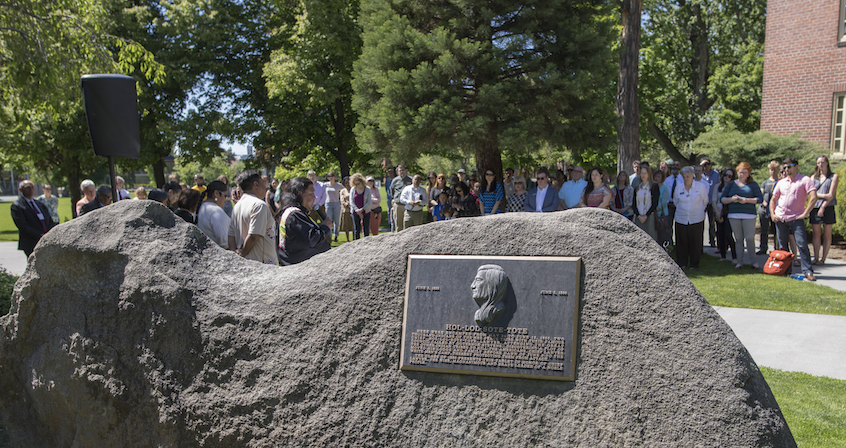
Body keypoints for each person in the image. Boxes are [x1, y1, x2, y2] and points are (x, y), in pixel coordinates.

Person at [771, 157, 818, 281]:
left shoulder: (804, 180)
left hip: (796, 218)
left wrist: (805, 213)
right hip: (781, 218)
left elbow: (813, 197)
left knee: (801, 243)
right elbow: (773, 199)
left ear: (796, 166)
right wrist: (772, 214)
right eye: (785, 167)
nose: (787, 169)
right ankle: (786, 271)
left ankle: (808, 271)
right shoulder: (781, 182)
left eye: (789, 167)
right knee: (783, 246)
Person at [278, 176, 332, 265]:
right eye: (311, 193)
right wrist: (325, 227)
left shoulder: (294, 213)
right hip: (298, 268)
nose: (315, 197)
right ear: (300, 193)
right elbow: (312, 239)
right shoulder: (294, 215)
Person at [227, 170, 278, 265]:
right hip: (261, 265)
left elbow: (231, 235)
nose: (265, 187)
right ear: (256, 184)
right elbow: (254, 235)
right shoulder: (259, 205)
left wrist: (235, 254)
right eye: (263, 183)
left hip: (245, 264)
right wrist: (242, 254)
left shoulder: (237, 206)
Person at [721, 162, 763, 270]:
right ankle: (739, 262)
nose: (742, 175)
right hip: (734, 215)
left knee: (749, 238)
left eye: (744, 173)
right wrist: (732, 199)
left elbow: (760, 199)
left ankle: (754, 262)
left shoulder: (753, 184)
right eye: (740, 172)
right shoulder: (731, 184)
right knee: (738, 239)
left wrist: (746, 200)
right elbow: (723, 199)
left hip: (749, 215)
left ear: (748, 174)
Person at [673, 166, 709, 269]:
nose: (686, 179)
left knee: (695, 242)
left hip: (696, 218)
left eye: (688, 176)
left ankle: (694, 264)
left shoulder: (700, 186)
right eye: (684, 177)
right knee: (681, 242)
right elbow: (676, 202)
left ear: (693, 176)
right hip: (681, 218)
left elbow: (705, 201)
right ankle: (682, 263)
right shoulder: (679, 187)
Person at [11, 180, 56, 257]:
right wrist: (40, 235)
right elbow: (23, 226)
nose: (31, 189)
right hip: (31, 242)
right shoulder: (17, 206)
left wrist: (49, 234)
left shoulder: (40, 204)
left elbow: (50, 220)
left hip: (46, 240)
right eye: (28, 188)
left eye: (32, 187)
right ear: (20, 190)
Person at [811, 155, 838, 265]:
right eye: (818, 163)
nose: (820, 165)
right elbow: (812, 193)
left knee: (827, 234)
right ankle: (816, 257)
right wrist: (823, 195)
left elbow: (831, 195)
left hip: (828, 207)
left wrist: (823, 206)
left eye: (822, 162)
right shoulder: (814, 177)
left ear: (827, 163)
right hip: (815, 207)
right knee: (816, 234)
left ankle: (823, 259)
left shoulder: (833, 176)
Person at [713, 168, 738, 264]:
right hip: (719, 213)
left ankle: (734, 257)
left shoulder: (733, 187)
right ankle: (723, 256)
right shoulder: (717, 187)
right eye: (725, 175)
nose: (727, 177)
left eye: (729, 176)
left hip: (729, 213)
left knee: (728, 235)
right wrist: (717, 213)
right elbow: (714, 201)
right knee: (720, 235)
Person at [197, 180, 230, 248]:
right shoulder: (216, 211)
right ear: (216, 193)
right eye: (225, 195)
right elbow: (225, 243)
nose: (225, 199)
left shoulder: (201, 207)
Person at [633, 164, 660, 242]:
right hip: (638, 217)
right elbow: (634, 203)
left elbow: (655, 203)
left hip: (649, 217)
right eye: (642, 173)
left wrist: (646, 216)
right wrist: (639, 215)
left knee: (650, 239)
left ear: (649, 174)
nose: (643, 175)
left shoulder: (654, 186)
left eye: (645, 173)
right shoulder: (637, 187)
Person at [758, 161, 779, 255]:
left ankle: (777, 249)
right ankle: (763, 248)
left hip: (775, 210)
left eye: (774, 170)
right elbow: (760, 194)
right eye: (771, 169)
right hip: (764, 209)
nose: (773, 172)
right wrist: (764, 202)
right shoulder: (765, 182)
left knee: (776, 230)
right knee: (764, 229)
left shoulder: (779, 182)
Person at [349, 173, 372, 239]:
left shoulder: (367, 189)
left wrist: (362, 209)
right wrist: (357, 210)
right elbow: (351, 201)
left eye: (358, 183)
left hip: (365, 211)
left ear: (362, 182)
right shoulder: (353, 189)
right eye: (355, 184)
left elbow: (369, 201)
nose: (356, 185)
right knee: (356, 231)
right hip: (355, 212)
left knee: (366, 230)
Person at [653, 170, 672, 249]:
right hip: (654, 213)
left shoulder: (665, 188)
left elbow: (664, 200)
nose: (657, 178)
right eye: (656, 176)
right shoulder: (653, 186)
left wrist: (658, 207)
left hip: (662, 213)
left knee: (662, 234)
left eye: (659, 177)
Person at [391, 165, 412, 231]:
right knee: (398, 225)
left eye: (403, 170)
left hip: (408, 204)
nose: (402, 172)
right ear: (397, 172)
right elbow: (392, 191)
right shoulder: (395, 180)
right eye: (400, 170)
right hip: (398, 205)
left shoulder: (410, 180)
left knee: (408, 224)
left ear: (405, 170)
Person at [324, 172, 342, 242]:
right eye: (329, 176)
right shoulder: (325, 185)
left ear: (334, 177)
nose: (330, 178)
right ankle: (330, 236)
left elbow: (344, 190)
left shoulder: (338, 185)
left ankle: (336, 235)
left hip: (336, 203)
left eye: (331, 176)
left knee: (336, 221)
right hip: (328, 203)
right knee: (329, 220)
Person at [339, 176, 353, 241]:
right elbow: (342, 200)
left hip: (353, 209)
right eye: (346, 183)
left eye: (348, 182)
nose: (347, 184)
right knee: (346, 226)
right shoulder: (343, 191)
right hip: (345, 210)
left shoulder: (353, 189)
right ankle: (348, 239)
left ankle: (354, 238)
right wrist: (347, 204)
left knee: (353, 225)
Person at [384, 167, 396, 232]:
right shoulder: (387, 180)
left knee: (394, 210)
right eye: (389, 173)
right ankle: (390, 222)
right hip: (388, 197)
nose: (390, 174)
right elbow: (386, 189)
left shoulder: (395, 179)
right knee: (389, 210)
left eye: (391, 172)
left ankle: (395, 222)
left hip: (394, 198)